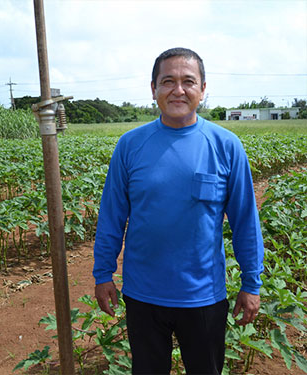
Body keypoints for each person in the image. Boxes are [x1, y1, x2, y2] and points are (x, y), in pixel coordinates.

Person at [92, 47, 264, 375]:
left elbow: (245, 221)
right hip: (143, 295)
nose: (178, 90)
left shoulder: (226, 146)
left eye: (188, 81)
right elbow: (112, 215)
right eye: (167, 81)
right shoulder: (130, 146)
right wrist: (103, 274)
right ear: (153, 88)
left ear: (202, 88)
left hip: (203, 296)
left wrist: (251, 283)